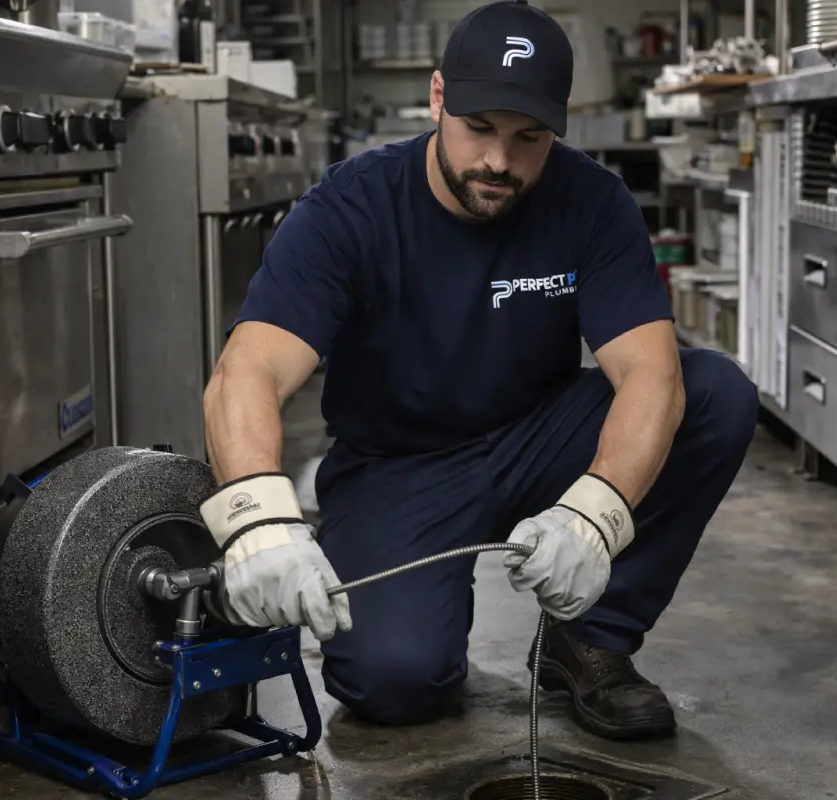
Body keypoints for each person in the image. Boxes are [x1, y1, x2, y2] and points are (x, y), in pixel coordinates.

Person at [199, 0, 758, 741]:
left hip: (538, 441)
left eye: (529, 138)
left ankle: (591, 637)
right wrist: (259, 520)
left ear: (558, 124)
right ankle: (417, 622)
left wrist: (596, 513)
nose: (499, 161)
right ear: (438, 99)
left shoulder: (591, 202)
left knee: (716, 392)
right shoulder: (350, 209)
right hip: (399, 466)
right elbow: (249, 370)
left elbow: (653, 375)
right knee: (393, 681)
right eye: (479, 129)